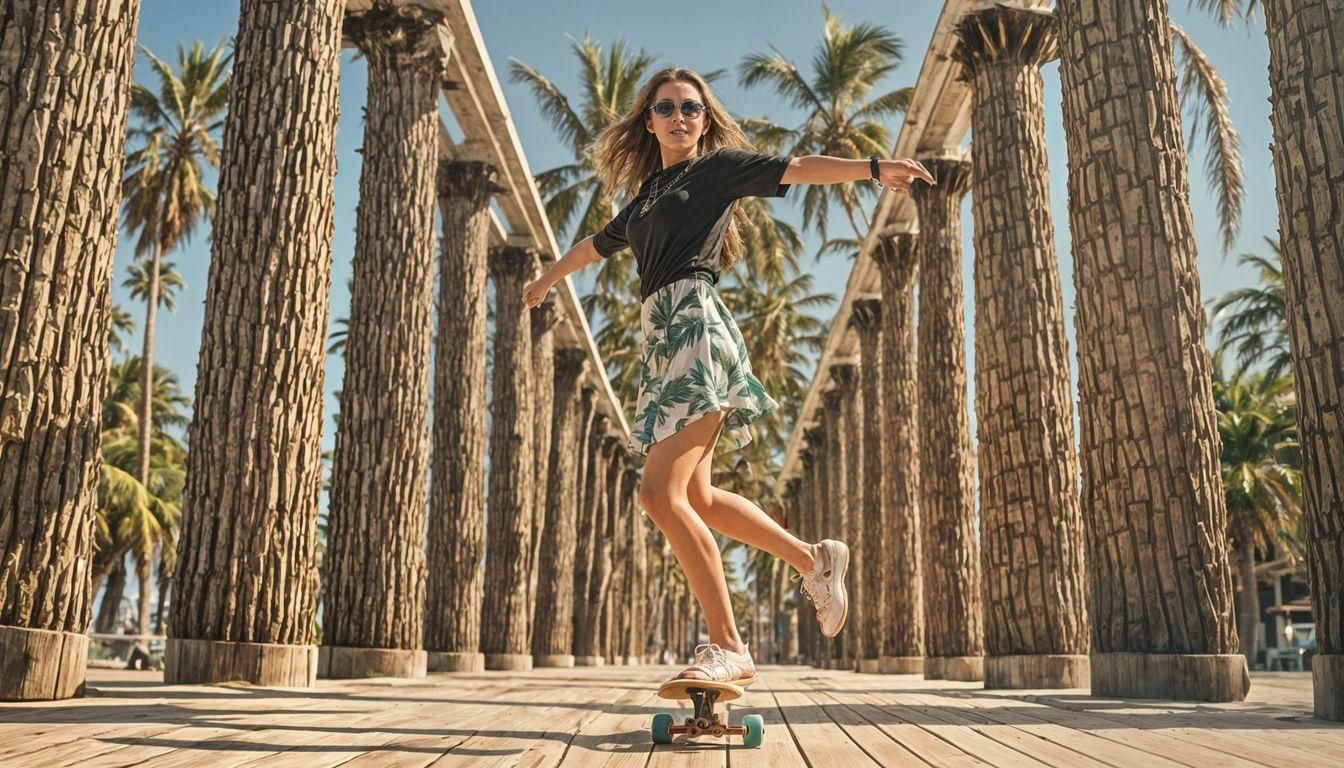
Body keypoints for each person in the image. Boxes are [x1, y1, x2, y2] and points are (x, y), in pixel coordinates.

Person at [520, 66, 934, 686]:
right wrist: (546, 279)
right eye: (666, 108)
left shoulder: (715, 170)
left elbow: (797, 167)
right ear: (650, 119)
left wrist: (874, 169)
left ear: (704, 119)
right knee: (701, 500)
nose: (678, 116)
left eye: (690, 107)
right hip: (661, 337)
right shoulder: (644, 198)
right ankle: (812, 558)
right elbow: (594, 247)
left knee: (658, 495)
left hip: (692, 324)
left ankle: (729, 644)